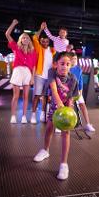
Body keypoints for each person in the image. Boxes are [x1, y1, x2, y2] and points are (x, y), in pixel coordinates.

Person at [33, 52, 79, 180]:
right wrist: (58, 103)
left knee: (66, 133)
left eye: (68, 64)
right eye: (62, 63)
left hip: (66, 107)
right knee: (49, 128)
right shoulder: (51, 72)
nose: (65, 66)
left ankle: (64, 164)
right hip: (55, 105)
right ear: (56, 64)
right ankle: (45, 150)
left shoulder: (73, 79)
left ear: (71, 66)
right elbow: (53, 89)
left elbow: (72, 97)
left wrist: (68, 110)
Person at [5, 19, 37, 124]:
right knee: (16, 96)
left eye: (27, 37)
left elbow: (33, 66)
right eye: (23, 37)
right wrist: (13, 24)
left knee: (26, 96)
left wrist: (32, 77)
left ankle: (24, 116)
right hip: (18, 71)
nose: (25, 39)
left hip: (28, 73)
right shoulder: (16, 47)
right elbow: (7, 34)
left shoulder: (33, 52)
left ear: (29, 40)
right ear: (21, 40)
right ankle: (13, 116)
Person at [30, 22, 56, 124]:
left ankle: (43, 114)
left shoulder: (52, 50)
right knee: (37, 95)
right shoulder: (39, 48)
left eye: (46, 41)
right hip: (39, 75)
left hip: (49, 77)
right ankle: (33, 115)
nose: (45, 43)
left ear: (49, 42)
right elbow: (34, 37)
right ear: (40, 42)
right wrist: (41, 29)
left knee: (45, 96)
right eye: (43, 41)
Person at [69, 52, 96, 132]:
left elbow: (80, 82)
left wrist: (80, 92)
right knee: (70, 107)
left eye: (75, 59)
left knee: (83, 105)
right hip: (69, 92)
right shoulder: (67, 68)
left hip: (77, 91)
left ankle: (88, 124)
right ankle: (69, 124)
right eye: (72, 59)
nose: (74, 60)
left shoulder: (79, 69)